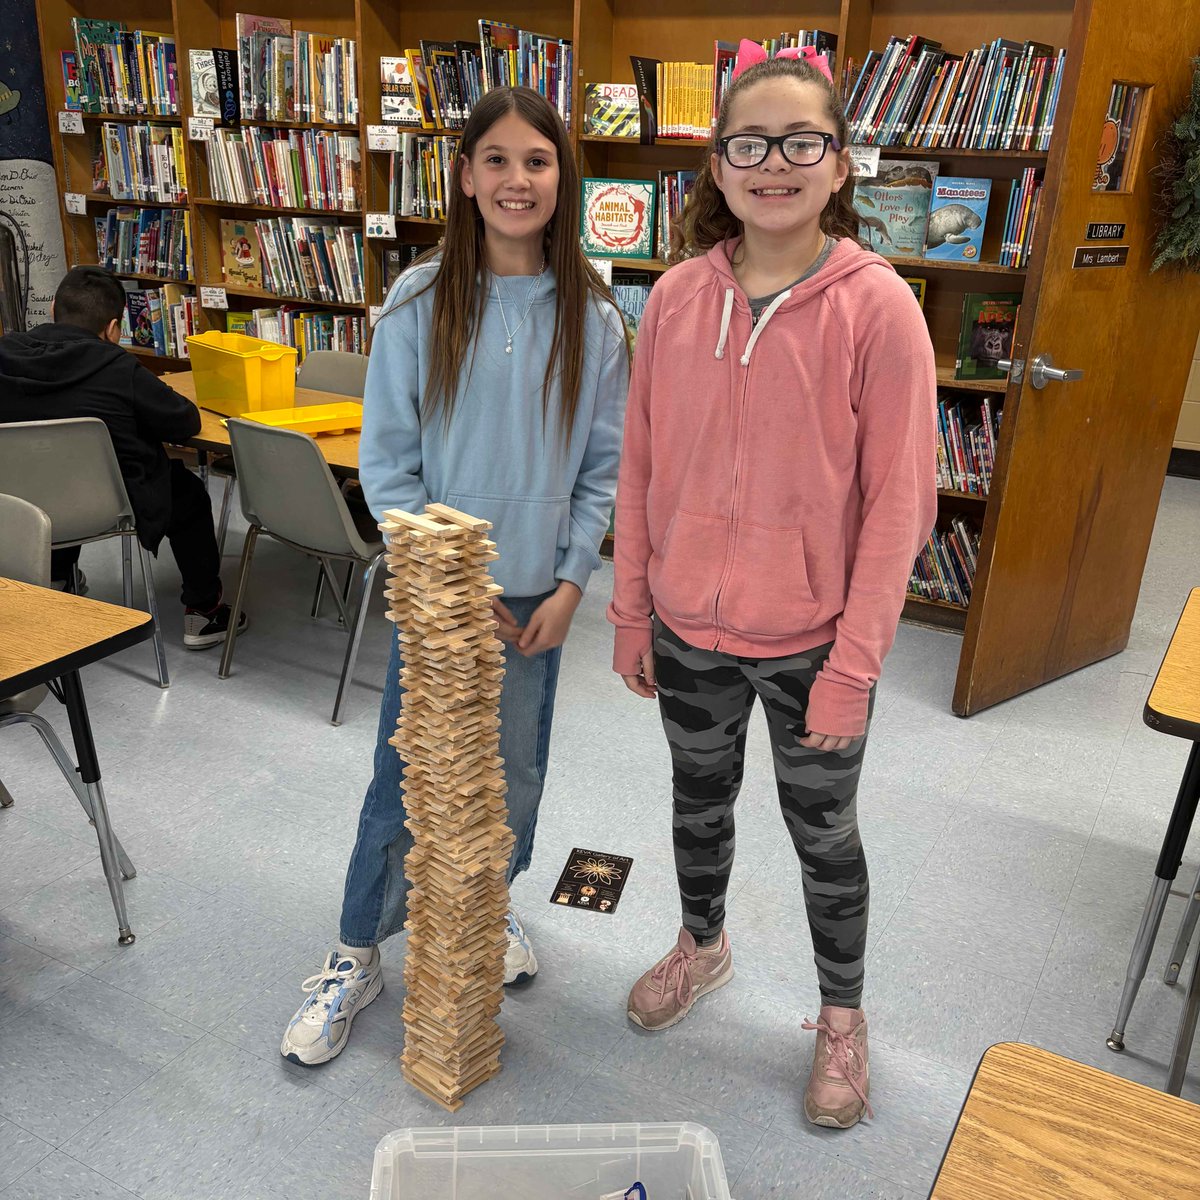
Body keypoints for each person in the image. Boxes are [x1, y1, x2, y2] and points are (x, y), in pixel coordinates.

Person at [607, 46, 937, 1129]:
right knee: (697, 811)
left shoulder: (878, 308)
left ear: (839, 164)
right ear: (719, 164)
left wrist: (857, 665)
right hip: (690, 625)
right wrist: (631, 611)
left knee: (823, 836)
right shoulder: (672, 301)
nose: (776, 164)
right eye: (751, 144)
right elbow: (642, 464)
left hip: (815, 644)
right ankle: (703, 947)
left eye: (803, 142)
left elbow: (900, 507)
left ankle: (842, 1019)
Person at [280, 86, 629, 1067]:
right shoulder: (421, 300)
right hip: (443, 591)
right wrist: (443, 569)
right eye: (498, 161)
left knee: (510, 777)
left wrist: (568, 584)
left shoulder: (595, 315)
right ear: (466, 176)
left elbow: (603, 467)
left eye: (538, 161)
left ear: (563, 176)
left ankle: (483, 911)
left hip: (536, 600)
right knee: (407, 781)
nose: (517, 181)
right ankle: (357, 950)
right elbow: (388, 463)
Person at [0, 266, 245, 649]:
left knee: (57, 474)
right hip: (112, 502)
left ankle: (56, 580)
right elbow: (183, 421)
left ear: (52, 310)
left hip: (22, 503)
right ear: (113, 329)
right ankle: (205, 612)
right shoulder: (116, 367)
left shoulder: (4, 355)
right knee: (190, 494)